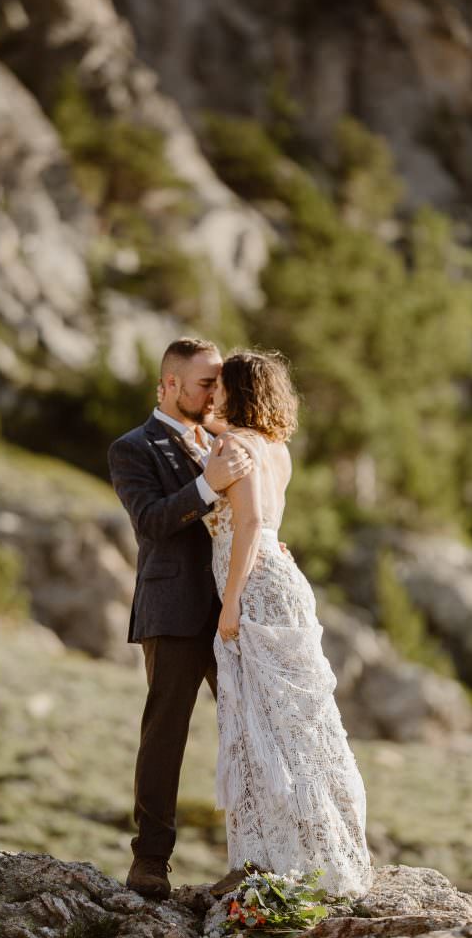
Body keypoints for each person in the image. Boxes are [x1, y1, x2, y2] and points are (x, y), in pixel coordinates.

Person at [204, 349, 373, 898]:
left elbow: (251, 522)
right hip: (284, 580)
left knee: (259, 720)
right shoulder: (274, 447)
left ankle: (267, 859)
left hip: (254, 588)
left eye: (220, 385)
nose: (213, 394)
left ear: (236, 391)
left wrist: (230, 601)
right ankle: (316, 852)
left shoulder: (234, 447)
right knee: (297, 721)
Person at [107, 337, 254, 900]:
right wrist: (206, 485)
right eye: (205, 384)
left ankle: (257, 854)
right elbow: (150, 521)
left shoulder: (223, 441)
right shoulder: (133, 448)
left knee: (249, 732)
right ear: (169, 384)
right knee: (165, 733)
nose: (215, 394)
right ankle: (150, 860)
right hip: (172, 609)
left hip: (233, 611)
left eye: (219, 383)